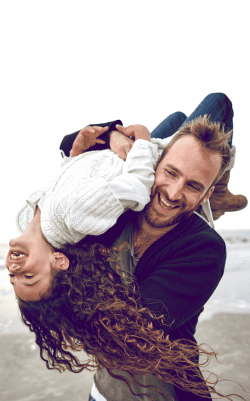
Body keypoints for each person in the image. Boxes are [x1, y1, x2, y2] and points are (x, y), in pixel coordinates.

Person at [7, 93, 247, 400]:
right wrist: (117, 136)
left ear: (203, 195)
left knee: (219, 101)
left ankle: (212, 187)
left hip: (166, 394)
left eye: (193, 185)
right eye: (170, 173)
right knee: (176, 118)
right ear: (155, 164)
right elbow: (71, 147)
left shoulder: (204, 249)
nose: (173, 193)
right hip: (104, 392)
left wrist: (114, 135)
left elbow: (132, 327)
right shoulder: (116, 212)